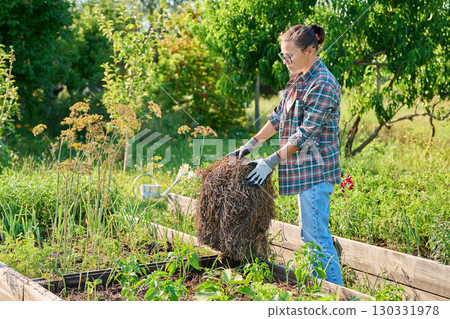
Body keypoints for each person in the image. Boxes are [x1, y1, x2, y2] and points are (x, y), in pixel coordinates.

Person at [228, 24, 343, 285]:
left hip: (316, 171)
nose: (285, 62)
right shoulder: (298, 79)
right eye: (283, 56)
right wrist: (252, 144)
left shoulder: (323, 83)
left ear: (311, 50)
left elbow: (305, 133)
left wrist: (272, 160)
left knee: (317, 238)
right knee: (311, 236)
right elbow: (279, 116)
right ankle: (321, 292)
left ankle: (337, 299)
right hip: (303, 171)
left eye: (290, 56)